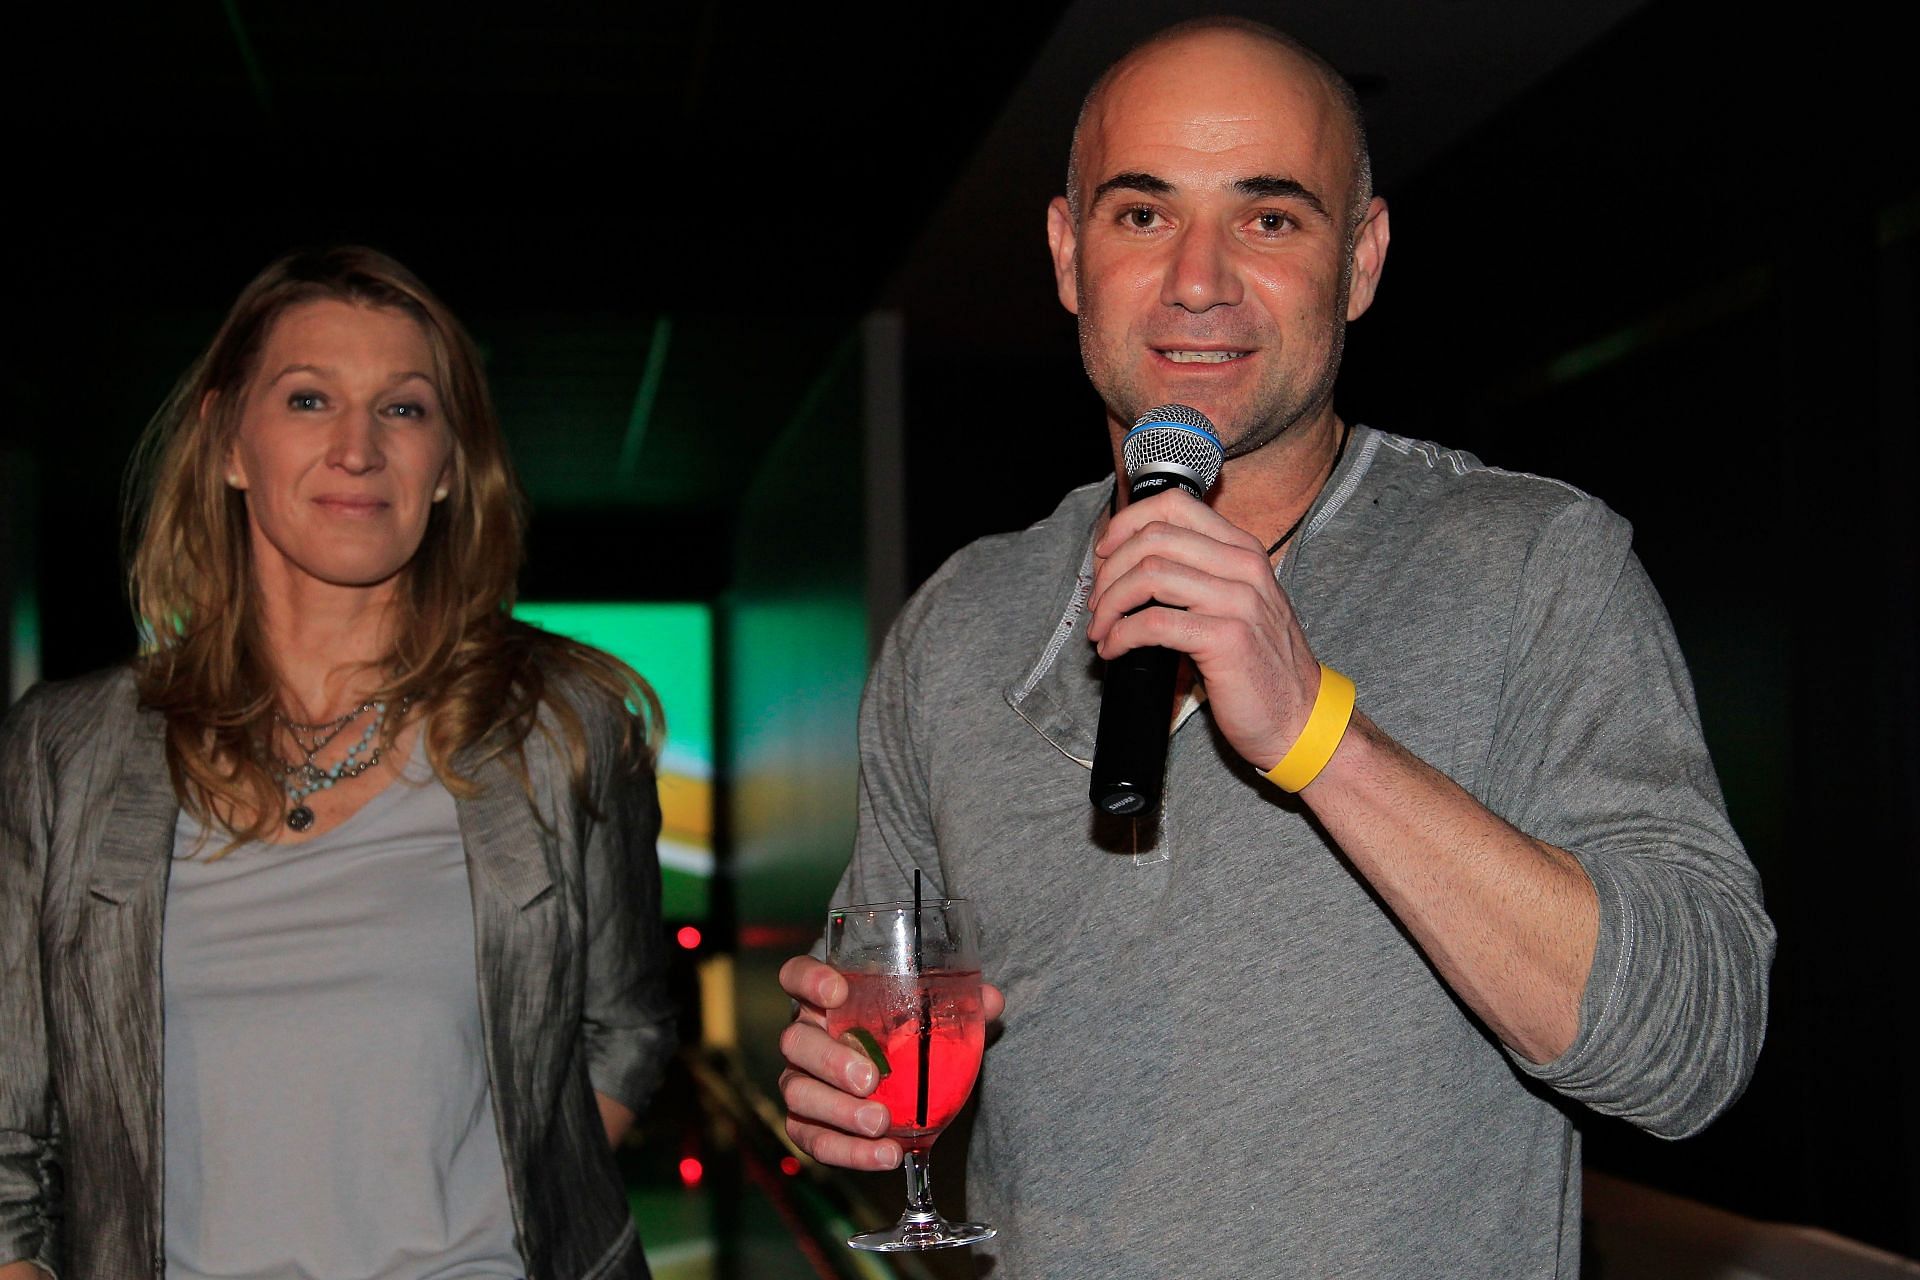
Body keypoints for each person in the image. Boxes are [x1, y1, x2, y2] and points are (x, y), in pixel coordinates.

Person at [777, 18, 1773, 1278]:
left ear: (1360, 262)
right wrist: (840, 1103)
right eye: (1141, 215)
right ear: (1065, 254)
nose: (1199, 279)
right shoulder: (959, 621)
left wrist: (1317, 729)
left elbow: (1692, 1050)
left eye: (1269, 218)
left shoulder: (1535, 563)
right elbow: (886, 1004)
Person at [0, 247, 675, 1279]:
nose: (357, 449)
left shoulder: (561, 728)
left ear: (449, 466)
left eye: (404, 409)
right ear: (230, 442)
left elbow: (624, 1023)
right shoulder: (65, 752)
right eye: (310, 398)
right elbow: (9, 1142)